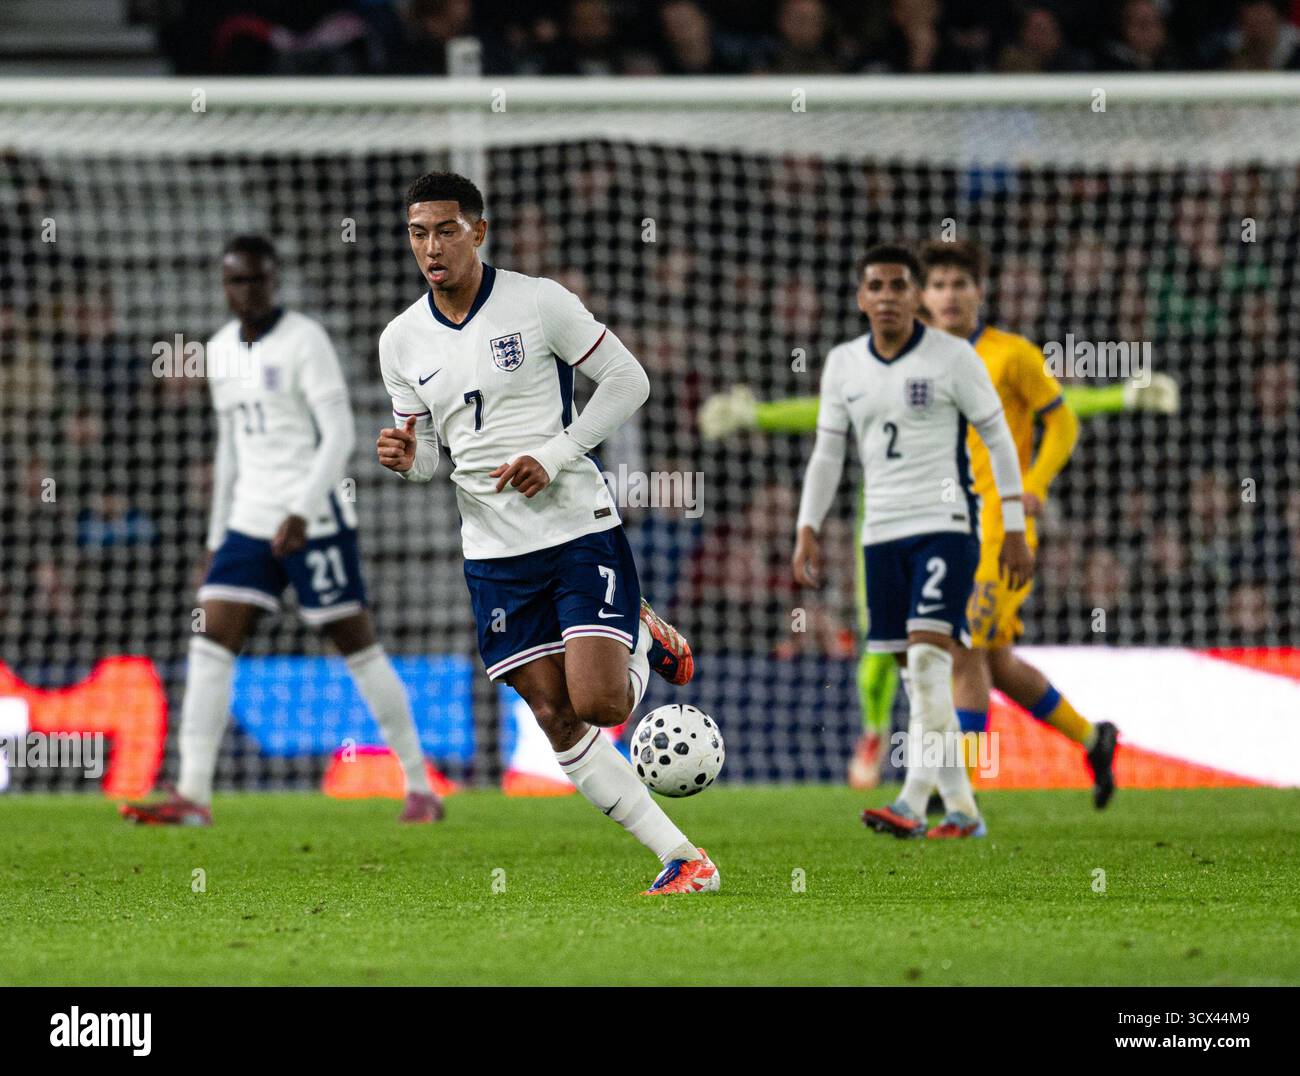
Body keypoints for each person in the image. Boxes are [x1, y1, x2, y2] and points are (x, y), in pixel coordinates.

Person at [375, 172, 717, 894]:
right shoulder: (400, 341)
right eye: (417, 233)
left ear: (478, 231)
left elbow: (629, 382)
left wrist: (557, 454)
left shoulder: (539, 303)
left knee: (602, 705)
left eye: (444, 229)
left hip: (574, 528)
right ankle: (685, 858)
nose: (430, 247)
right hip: (493, 555)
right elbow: (435, 456)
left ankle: (644, 634)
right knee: (556, 718)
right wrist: (409, 461)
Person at [122, 236, 442, 826]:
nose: (246, 290)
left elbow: (340, 433)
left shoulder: (306, 341)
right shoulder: (217, 350)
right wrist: (216, 538)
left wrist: (301, 509)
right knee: (210, 641)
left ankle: (421, 785)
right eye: (235, 281)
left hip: (313, 520)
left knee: (357, 646)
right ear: (225, 285)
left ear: (275, 281)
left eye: (256, 280)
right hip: (248, 521)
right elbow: (230, 450)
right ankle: (192, 795)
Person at [793, 245, 1031, 839]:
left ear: (915, 296)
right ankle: (964, 811)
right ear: (861, 298)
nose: (888, 296)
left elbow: (999, 438)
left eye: (900, 286)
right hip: (880, 537)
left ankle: (909, 799)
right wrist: (808, 525)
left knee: (928, 659)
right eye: (876, 286)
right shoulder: (844, 364)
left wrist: (1016, 528)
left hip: (946, 525)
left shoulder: (953, 358)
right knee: (914, 675)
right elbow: (828, 451)